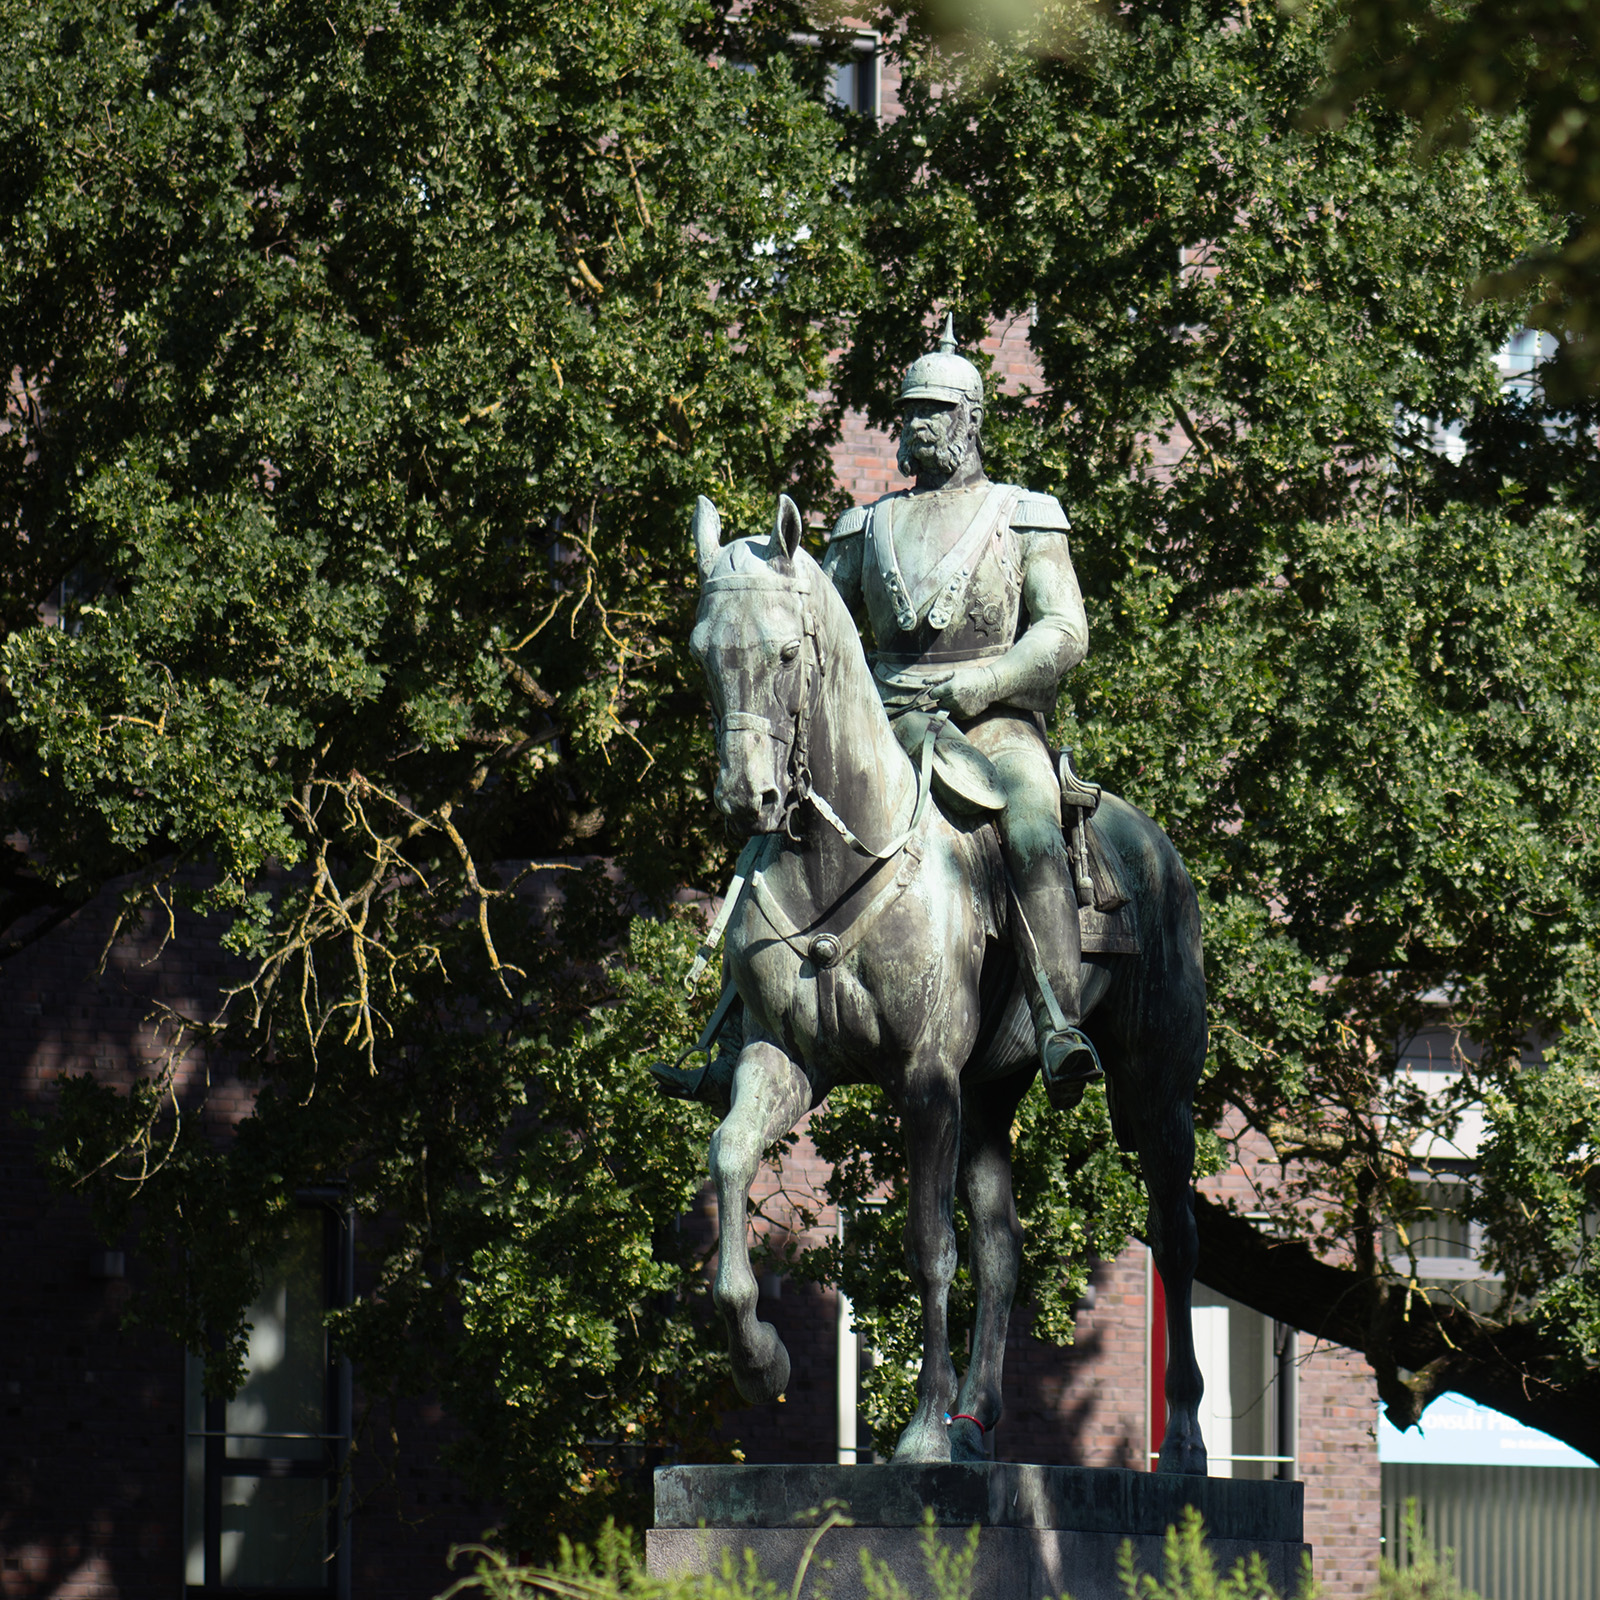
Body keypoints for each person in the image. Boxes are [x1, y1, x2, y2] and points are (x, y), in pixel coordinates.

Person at [817, 316, 1101, 1101]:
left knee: (1033, 819)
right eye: (908, 412)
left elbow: (1064, 630)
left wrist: (987, 681)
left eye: (933, 411)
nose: (914, 425)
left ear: (972, 420)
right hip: (884, 729)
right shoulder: (862, 528)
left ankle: (1060, 1023)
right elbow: (817, 629)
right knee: (786, 824)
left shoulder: (1025, 515)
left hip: (995, 726)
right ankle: (739, 1025)